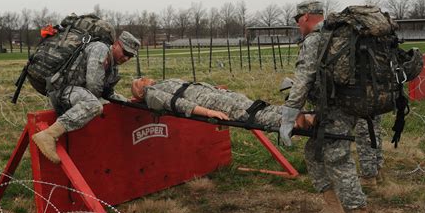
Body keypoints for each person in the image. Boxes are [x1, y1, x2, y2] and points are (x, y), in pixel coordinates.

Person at [279, 0, 373, 213]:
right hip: (342, 105)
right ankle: (333, 206)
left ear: (308, 16)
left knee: (338, 158)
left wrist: (288, 116)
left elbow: (303, 79)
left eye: (299, 19)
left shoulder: (316, 39)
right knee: (314, 152)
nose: (298, 25)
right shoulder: (336, 35)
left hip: (338, 108)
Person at [32, 30, 141, 164]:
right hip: (62, 89)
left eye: (130, 56)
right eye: (125, 53)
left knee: (98, 102)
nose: (126, 58)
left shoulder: (113, 66)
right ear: (116, 44)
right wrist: (103, 99)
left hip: (76, 90)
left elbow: (108, 93)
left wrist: (127, 102)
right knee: (94, 104)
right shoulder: (100, 49)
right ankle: (49, 135)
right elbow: (93, 86)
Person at [130, 77, 314, 130]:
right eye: (140, 82)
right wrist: (209, 113)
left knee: (257, 109)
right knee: (254, 112)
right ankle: (301, 119)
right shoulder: (152, 92)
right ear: (140, 91)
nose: (143, 79)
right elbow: (178, 103)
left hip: (216, 95)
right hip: (212, 101)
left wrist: (216, 88)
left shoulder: (164, 82)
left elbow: (190, 88)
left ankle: (302, 117)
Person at [355, 116, 384, 188]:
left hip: (365, 107)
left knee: (364, 132)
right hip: (376, 106)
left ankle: (368, 177)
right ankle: (376, 171)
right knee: (374, 129)